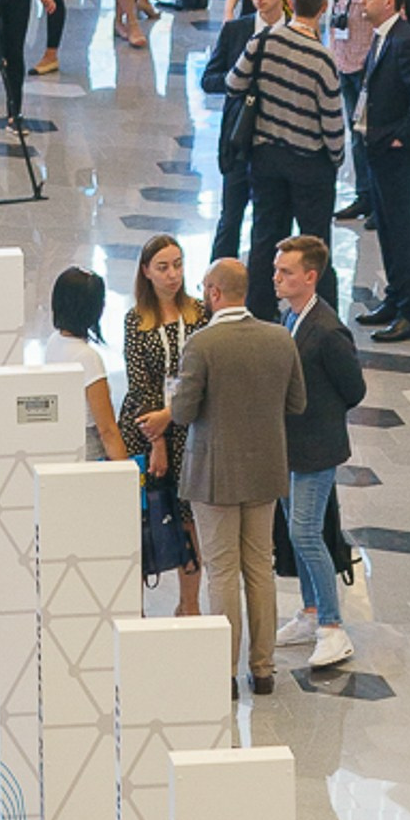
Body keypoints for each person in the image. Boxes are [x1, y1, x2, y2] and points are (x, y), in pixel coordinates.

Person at [148, 256, 303, 692]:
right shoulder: (280, 338)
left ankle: (225, 673)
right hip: (265, 470)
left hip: (214, 475)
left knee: (221, 572)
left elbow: (182, 411)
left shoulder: (202, 344)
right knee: (260, 567)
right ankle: (264, 668)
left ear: (215, 293)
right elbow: (296, 403)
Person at [231, 0, 345, 318]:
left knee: (266, 236)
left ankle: (261, 313)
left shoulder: (264, 41)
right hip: (310, 164)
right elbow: (332, 122)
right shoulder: (323, 59)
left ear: (290, 1)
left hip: (266, 156)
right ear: (323, 7)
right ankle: (320, 317)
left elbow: (234, 84)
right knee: (315, 245)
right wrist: (336, 158)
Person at [271, 235, 363, 671]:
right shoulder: (289, 316)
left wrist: (321, 413)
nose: (276, 278)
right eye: (277, 270)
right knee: (294, 531)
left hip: (315, 448)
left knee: (307, 533)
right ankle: (310, 612)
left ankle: (332, 625)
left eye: (286, 272)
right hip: (289, 446)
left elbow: (354, 389)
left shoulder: (327, 330)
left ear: (310, 277)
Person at [121, 235, 206, 617]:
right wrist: (156, 439)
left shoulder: (199, 313)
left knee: (187, 518)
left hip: (189, 426)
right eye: (163, 267)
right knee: (142, 518)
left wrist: (171, 416)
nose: (173, 275)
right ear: (146, 272)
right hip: (144, 426)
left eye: (178, 265)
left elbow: (204, 375)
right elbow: (139, 384)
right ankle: (132, 609)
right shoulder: (136, 320)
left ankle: (189, 605)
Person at [352, 0, 410, 341]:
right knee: (385, 228)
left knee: (401, 232)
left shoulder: (404, 40)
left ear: (389, 2)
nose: (362, 1)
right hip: (378, 148)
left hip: (395, 153)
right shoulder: (385, 35)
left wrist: (402, 135)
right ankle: (395, 297)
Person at [214, 0, 293, 265]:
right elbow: (210, 78)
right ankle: (216, 284)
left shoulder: (295, 31)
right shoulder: (236, 30)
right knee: (230, 216)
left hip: (276, 141)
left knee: (270, 223)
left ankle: (264, 287)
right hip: (239, 137)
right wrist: (239, 82)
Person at [327, 0, 388, 219]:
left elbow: (393, 14)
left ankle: (379, 200)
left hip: (368, 59)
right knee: (355, 129)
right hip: (343, 56)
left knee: (373, 131)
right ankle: (363, 194)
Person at [44, 266, 128, 463]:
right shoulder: (88, 358)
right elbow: (107, 429)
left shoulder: (53, 342)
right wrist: (126, 475)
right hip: (90, 451)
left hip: (63, 445)